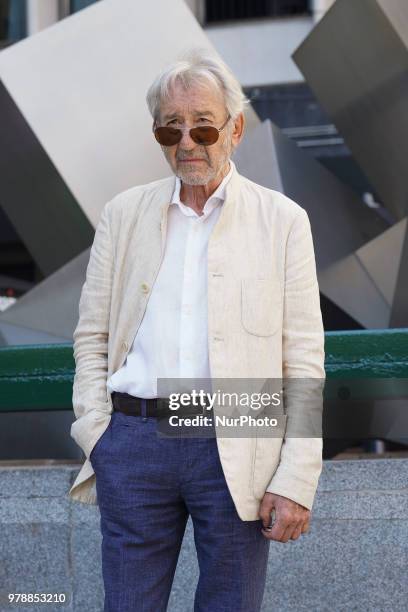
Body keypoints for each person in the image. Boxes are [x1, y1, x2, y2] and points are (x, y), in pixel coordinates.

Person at [68, 47, 325, 612]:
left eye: (203, 128)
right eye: (171, 130)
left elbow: (303, 360)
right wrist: (97, 432)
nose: (187, 144)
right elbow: (90, 336)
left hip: (238, 427)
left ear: (235, 127)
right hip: (132, 439)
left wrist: (296, 476)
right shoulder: (122, 214)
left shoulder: (283, 220)